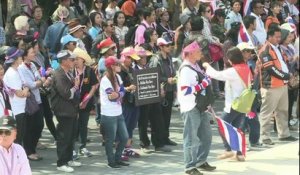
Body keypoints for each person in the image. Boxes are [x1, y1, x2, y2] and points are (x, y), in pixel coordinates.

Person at [203, 47, 252, 161]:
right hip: (243, 104)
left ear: (231, 59)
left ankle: (228, 150)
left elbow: (215, 74)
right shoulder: (245, 68)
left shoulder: (233, 71)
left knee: (222, 126)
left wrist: (206, 65)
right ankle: (239, 154)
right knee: (237, 129)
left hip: (233, 105)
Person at [178, 40, 215, 175]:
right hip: (190, 107)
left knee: (206, 136)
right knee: (191, 138)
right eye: (198, 51)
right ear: (191, 54)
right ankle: (189, 166)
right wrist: (203, 85)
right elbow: (185, 90)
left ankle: (200, 161)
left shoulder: (195, 66)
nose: (201, 53)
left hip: (201, 106)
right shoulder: (186, 70)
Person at [258, 25, 297, 145]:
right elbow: (270, 69)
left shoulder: (277, 48)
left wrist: (288, 75)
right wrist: (286, 76)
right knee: (267, 112)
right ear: (269, 37)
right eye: (276, 37)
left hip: (282, 84)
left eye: (280, 36)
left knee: (283, 111)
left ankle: (284, 134)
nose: (279, 39)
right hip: (271, 86)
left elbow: (281, 63)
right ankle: (264, 137)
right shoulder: (265, 50)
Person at [50, 50, 81, 173]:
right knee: (64, 137)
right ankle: (61, 163)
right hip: (63, 111)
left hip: (71, 110)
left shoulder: (67, 73)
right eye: (72, 60)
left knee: (71, 136)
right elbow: (67, 94)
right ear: (64, 61)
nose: (74, 62)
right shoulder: (59, 74)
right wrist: (76, 86)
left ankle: (68, 159)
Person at [100, 56, 129, 168]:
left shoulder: (117, 76)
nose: (119, 65)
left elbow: (122, 91)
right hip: (108, 114)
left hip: (118, 111)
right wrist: (119, 94)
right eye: (117, 64)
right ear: (112, 66)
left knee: (124, 137)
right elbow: (111, 97)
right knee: (110, 139)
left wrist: (118, 94)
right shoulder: (105, 80)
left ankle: (118, 158)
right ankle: (111, 161)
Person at [149, 36, 177, 146]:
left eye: (170, 45)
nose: (170, 47)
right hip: (160, 92)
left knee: (167, 116)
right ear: (161, 47)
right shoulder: (156, 59)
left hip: (169, 90)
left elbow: (173, 73)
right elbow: (153, 76)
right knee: (158, 118)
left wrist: (174, 89)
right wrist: (166, 80)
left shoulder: (169, 57)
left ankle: (165, 138)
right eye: (167, 45)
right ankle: (158, 141)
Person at [72, 47, 97, 157]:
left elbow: (94, 85)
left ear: (83, 59)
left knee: (83, 124)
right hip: (72, 102)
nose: (75, 61)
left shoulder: (89, 70)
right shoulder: (71, 71)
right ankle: (72, 148)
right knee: (73, 125)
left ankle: (83, 147)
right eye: (74, 59)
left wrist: (87, 99)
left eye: (77, 59)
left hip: (86, 102)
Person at [3, 47, 29, 145]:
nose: (21, 57)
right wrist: (25, 90)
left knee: (20, 136)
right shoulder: (11, 73)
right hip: (16, 110)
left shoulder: (18, 70)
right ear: (14, 60)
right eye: (19, 56)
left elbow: (25, 87)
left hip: (21, 108)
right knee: (16, 139)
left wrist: (25, 90)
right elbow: (20, 93)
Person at [119, 47, 140, 158]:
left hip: (134, 101)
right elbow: (117, 87)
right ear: (124, 57)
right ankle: (120, 149)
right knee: (123, 125)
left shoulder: (132, 70)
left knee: (131, 125)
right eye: (130, 58)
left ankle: (127, 148)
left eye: (132, 59)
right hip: (124, 102)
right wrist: (128, 88)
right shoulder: (119, 71)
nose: (131, 61)